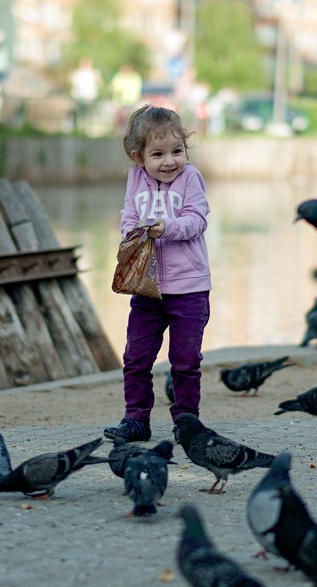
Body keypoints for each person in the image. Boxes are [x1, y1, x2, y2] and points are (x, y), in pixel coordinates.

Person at [104, 105, 211, 442]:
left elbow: (197, 219)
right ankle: (136, 419)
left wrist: (167, 227)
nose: (170, 161)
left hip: (189, 288)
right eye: (158, 154)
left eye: (177, 151)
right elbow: (129, 213)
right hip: (147, 287)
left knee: (185, 361)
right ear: (139, 157)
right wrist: (129, 233)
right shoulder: (135, 179)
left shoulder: (191, 177)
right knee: (135, 358)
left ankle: (186, 422)